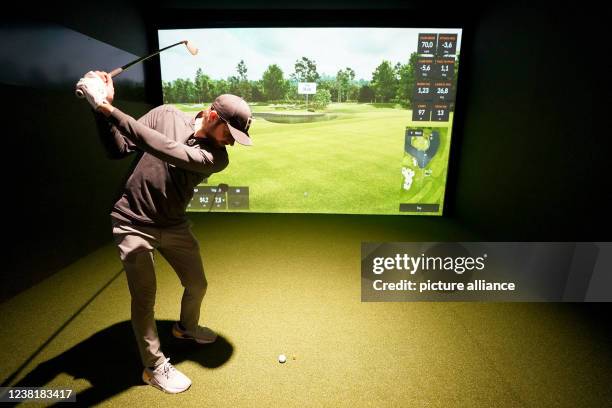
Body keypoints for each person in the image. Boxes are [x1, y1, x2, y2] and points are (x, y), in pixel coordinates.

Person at [75, 71, 253, 394]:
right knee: (145, 295)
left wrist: (105, 107)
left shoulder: (217, 157)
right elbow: (119, 147)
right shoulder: (165, 114)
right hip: (132, 219)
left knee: (197, 283)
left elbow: (162, 147)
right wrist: (101, 111)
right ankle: (154, 366)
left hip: (173, 224)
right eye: (231, 133)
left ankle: (185, 329)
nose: (232, 142)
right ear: (213, 116)